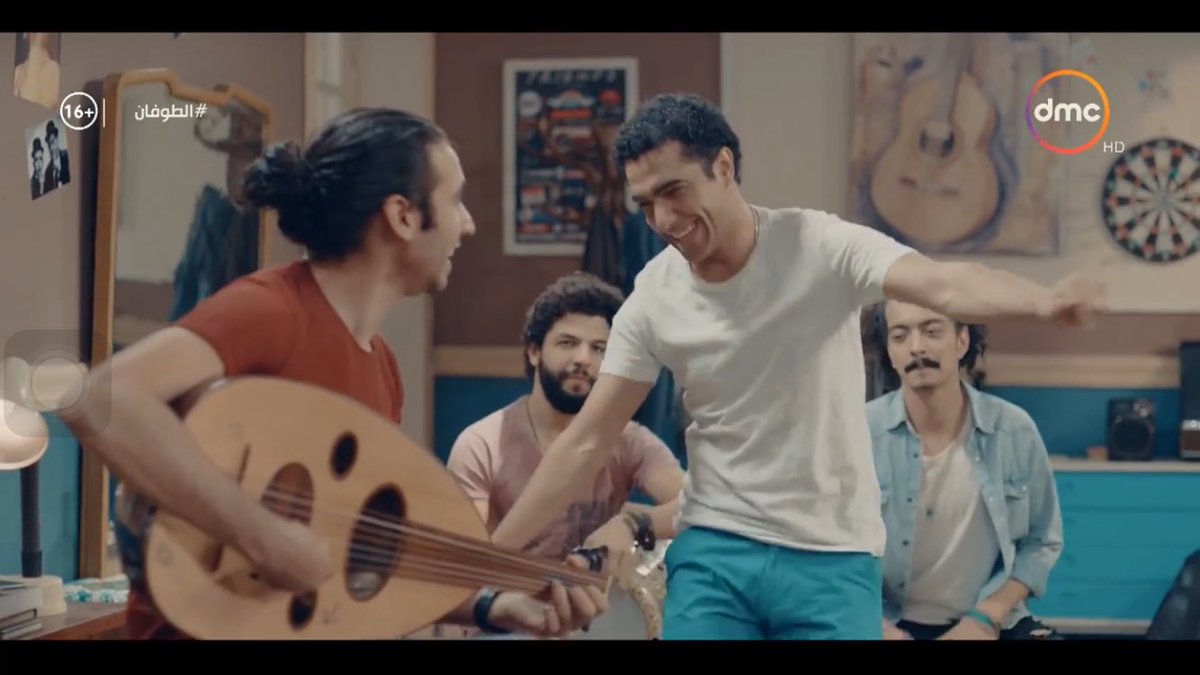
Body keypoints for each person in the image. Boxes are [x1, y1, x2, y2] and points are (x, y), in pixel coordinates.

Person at [484, 93, 1105, 640]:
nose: (663, 221)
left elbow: (941, 283)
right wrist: (490, 558)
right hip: (715, 552)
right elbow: (587, 439)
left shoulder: (821, 247)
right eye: (646, 204)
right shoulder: (653, 295)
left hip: (833, 555)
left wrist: (1044, 301)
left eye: (674, 192)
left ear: (723, 167)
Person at [59, 108, 605, 640]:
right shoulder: (274, 309)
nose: (467, 223)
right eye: (455, 200)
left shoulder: (383, 367)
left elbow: (357, 565)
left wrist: (494, 606)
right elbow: (104, 396)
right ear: (403, 216)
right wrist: (263, 538)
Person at [447, 272, 684, 564]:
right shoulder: (481, 446)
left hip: (597, 593)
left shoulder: (628, 439)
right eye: (567, 343)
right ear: (534, 352)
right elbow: (465, 562)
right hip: (508, 591)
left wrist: (633, 524)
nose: (583, 358)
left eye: (599, 349)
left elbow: (696, 505)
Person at [865, 300, 1064, 640]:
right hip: (884, 620)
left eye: (932, 331)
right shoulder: (860, 433)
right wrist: (877, 626)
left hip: (990, 618)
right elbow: (833, 549)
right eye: (900, 336)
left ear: (962, 341)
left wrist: (986, 617)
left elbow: (1041, 541)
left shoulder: (1014, 429)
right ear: (889, 352)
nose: (916, 347)